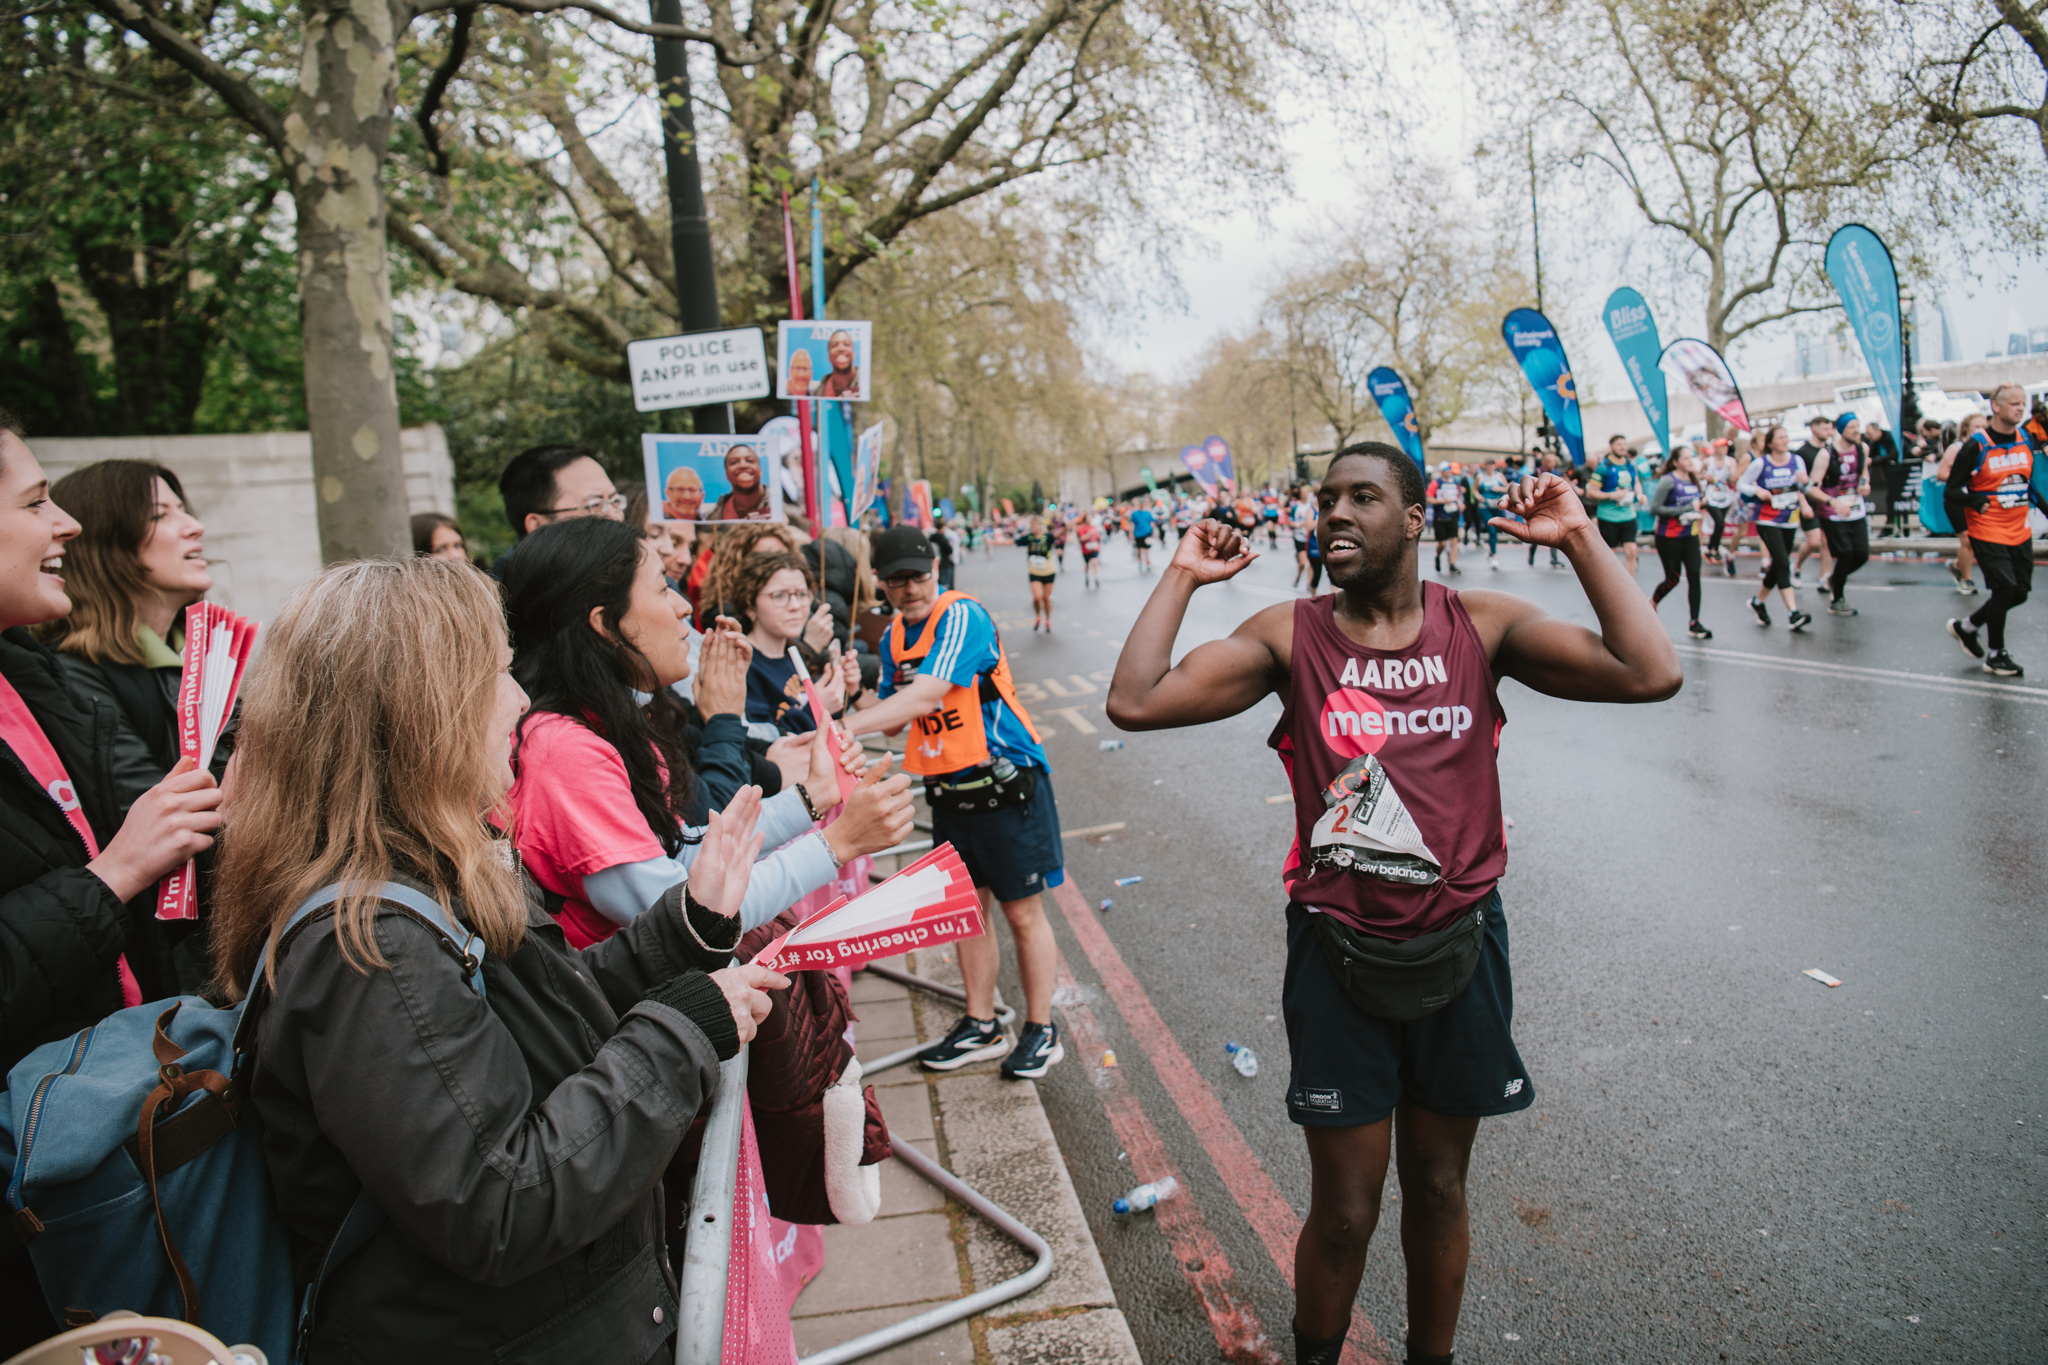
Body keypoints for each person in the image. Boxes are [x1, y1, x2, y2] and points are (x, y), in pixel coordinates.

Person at [1102, 442, 1680, 1365]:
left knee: (1442, 1189)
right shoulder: (1289, 637)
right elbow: (1134, 701)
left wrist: (1577, 537)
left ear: (1414, 519)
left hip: (1462, 949)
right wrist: (1181, 572)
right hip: (1338, 957)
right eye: (1325, 498)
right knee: (1343, 1212)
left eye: (1362, 497)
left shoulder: (1479, 625)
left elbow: (1651, 670)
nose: (1333, 512)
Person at [211, 553, 786, 1362]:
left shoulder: (434, 868)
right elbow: (501, 1202)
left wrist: (686, 926)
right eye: (496, 673)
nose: (520, 698)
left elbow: (546, 1009)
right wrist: (685, 1030)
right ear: (423, 711)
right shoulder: (369, 946)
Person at [0, 413, 227, 1354]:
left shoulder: (47, 683)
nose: (64, 525)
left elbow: (173, 841)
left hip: (129, 1118)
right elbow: (125, 857)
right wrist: (114, 874)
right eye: (32, 500)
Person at [850, 526, 1066, 1080]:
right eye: (896, 579)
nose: (910, 588)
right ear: (881, 582)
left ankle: (1042, 1031)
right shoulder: (895, 636)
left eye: (918, 575)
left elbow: (925, 693)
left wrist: (842, 723)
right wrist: (852, 693)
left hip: (1006, 785)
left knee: (1022, 912)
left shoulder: (961, 616)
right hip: (948, 789)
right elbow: (898, 716)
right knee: (968, 914)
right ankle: (981, 1024)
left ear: (936, 571)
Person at [40, 460, 214, 820]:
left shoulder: (201, 653)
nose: (195, 527)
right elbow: (156, 819)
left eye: (183, 510)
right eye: (159, 515)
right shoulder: (74, 676)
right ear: (105, 544)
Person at [1944, 382, 2039, 677]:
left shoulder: (2025, 438)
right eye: (2014, 403)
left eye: (2023, 403)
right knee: (2004, 589)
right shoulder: (1977, 445)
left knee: (2019, 593)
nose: (2020, 408)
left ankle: (1966, 626)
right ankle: (1996, 654)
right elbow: (1952, 491)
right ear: (1996, 407)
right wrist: (1976, 499)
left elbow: (2032, 485)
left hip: (2019, 529)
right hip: (1987, 529)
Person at [733, 551, 861, 739]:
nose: (795, 605)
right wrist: (815, 709)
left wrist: (844, 689)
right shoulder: (743, 666)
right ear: (750, 605)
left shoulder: (798, 655)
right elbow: (761, 743)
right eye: (779, 596)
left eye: (802, 594)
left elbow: (828, 726)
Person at [494, 443, 626, 577]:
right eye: (594, 505)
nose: (615, 517)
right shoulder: (502, 594)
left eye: (615, 501)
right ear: (538, 525)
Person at [1737, 425, 1812, 631]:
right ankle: (1793, 613)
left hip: (1790, 518)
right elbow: (1741, 484)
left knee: (1779, 564)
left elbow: (1804, 487)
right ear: (1770, 443)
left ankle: (1758, 602)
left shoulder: (1797, 461)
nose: (1785, 440)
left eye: (1786, 437)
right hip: (1767, 519)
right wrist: (1757, 490)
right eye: (1780, 437)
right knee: (1782, 561)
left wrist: (1806, 482)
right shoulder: (1761, 463)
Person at [1807, 412, 1873, 617]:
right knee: (1845, 553)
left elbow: (1863, 474)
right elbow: (1811, 487)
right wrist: (1832, 501)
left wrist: (1865, 485)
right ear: (1842, 430)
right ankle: (1837, 599)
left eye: (1858, 426)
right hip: (1833, 512)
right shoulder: (1827, 454)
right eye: (1852, 427)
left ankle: (1834, 578)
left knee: (1861, 554)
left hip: (1855, 508)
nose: (1857, 431)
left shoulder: (1862, 448)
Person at [1648, 447, 1712, 638]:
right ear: (1675, 462)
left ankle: (1695, 623)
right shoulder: (1668, 480)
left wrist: (1703, 503)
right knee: (1673, 579)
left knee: (1694, 577)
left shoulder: (1693, 478)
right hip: (1668, 537)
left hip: (1690, 535)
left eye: (1691, 457)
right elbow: (1655, 509)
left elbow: (1697, 502)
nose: (1690, 461)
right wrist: (1685, 508)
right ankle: (1652, 603)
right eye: (1685, 458)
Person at [1938, 413, 1988, 593]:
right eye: (1977, 426)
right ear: (1966, 428)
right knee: (1967, 538)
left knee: (1975, 539)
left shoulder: (1986, 447)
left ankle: (1958, 565)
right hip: (1956, 498)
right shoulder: (1957, 448)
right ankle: (1965, 579)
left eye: (1984, 426)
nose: (1981, 430)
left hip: (1974, 499)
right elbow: (1941, 473)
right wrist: (1964, 476)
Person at [1587, 435, 1641, 574]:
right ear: (1611, 447)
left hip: (1628, 514)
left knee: (1632, 551)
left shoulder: (1630, 464)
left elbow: (1636, 483)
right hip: (1608, 516)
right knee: (1611, 555)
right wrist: (1612, 495)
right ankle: (1615, 588)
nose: (1623, 447)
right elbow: (1590, 493)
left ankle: (1630, 588)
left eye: (1624, 444)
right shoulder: (1603, 467)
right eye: (1619, 444)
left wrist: (1640, 494)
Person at [709, 442, 774, 521]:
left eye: (749, 460)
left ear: (760, 471)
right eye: (734, 462)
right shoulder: (713, 518)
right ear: (726, 475)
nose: (743, 465)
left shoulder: (780, 508)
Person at [1699, 440, 1738, 568]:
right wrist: (1706, 477)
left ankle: (1712, 549)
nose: (1725, 449)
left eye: (1726, 447)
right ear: (1716, 448)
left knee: (1720, 525)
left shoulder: (1730, 462)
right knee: (1719, 522)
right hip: (1711, 496)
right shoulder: (1708, 462)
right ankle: (1713, 549)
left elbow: (1733, 479)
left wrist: (1732, 470)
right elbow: (1697, 476)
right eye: (1722, 446)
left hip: (1725, 495)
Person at [1023, 515, 1058, 631]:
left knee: (1046, 598)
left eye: (1035, 525)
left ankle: (1048, 619)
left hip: (1048, 572)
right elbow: (1012, 541)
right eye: (1031, 525)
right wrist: (993, 541)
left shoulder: (1047, 537)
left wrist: (1067, 527)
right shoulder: (1029, 538)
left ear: (1040, 526)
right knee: (1037, 597)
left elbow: (1059, 534)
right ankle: (1038, 616)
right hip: (1034, 572)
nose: (1033, 527)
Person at [1427, 463, 1462, 574]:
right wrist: (1442, 501)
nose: (1448, 472)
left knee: (1454, 540)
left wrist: (1460, 504)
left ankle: (1452, 564)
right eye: (1446, 470)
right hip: (1440, 516)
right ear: (1441, 471)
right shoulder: (1435, 483)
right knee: (1442, 543)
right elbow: (1429, 498)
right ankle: (1437, 556)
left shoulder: (1455, 483)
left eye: (1449, 470)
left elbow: (1457, 497)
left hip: (1453, 515)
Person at [1475, 461, 1508, 567]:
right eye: (1488, 466)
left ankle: (1490, 552)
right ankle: (1494, 556)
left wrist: (1500, 489)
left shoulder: (1499, 476)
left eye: (1492, 466)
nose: (1490, 468)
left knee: (1497, 530)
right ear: (1485, 466)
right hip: (1485, 506)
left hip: (1497, 506)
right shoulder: (1480, 477)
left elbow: (1507, 488)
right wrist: (1478, 496)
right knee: (1491, 530)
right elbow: (1475, 490)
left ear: (1494, 467)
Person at [812, 330, 862, 399]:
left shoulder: (865, 385)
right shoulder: (818, 392)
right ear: (828, 356)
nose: (841, 348)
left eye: (846, 344)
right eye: (834, 345)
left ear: (854, 353)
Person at [1130, 500, 1157, 572]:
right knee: (1140, 549)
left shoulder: (1148, 512)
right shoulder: (1135, 513)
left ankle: (1147, 562)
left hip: (1147, 533)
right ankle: (1140, 561)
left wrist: (1155, 532)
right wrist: (1131, 533)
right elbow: (1132, 524)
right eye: (1140, 503)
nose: (1141, 505)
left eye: (1143, 503)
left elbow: (1151, 522)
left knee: (1147, 548)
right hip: (1138, 534)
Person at [1077, 513, 1103, 588]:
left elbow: (1098, 535)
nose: (1090, 520)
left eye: (1090, 518)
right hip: (1086, 549)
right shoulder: (1082, 528)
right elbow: (1081, 538)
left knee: (1095, 562)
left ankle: (1096, 578)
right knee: (1087, 564)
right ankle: (1087, 576)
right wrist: (1089, 534)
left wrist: (1099, 537)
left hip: (1094, 548)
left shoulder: (1094, 527)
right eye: (1088, 518)